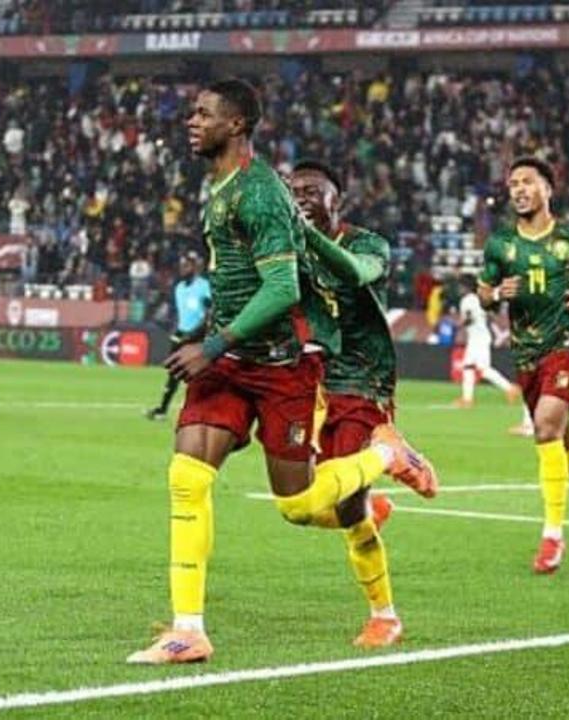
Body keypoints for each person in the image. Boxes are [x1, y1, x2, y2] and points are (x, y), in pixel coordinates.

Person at [127, 79, 437, 666]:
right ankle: (188, 630)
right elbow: (243, 279)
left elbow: (288, 285)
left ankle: (387, 460)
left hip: (305, 369)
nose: (191, 120)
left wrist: (214, 341)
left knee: (302, 506)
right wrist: (211, 338)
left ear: (237, 124)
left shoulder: (282, 202)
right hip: (240, 358)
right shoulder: (223, 189)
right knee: (187, 476)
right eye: (192, 111)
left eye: (204, 113)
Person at [289, 158, 422, 648]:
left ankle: (385, 616)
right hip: (311, 382)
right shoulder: (290, 250)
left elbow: (352, 272)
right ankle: (378, 484)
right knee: (299, 508)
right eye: (294, 191)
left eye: (312, 191)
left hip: (361, 381)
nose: (301, 198)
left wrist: (305, 237)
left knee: (346, 506)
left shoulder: (369, 245)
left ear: (336, 200)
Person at [477, 157, 569, 575]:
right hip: (527, 349)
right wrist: (497, 294)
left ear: (547, 189)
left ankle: (553, 535)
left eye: (528, 182)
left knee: (545, 426)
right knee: (559, 440)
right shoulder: (500, 244)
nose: (519, 189)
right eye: (513, 184)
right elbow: (483, 292)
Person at [453, 273, 532, 435]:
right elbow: (489, 315)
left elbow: (468, 318)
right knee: (468, 367)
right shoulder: (478, 299)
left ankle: (509, 388)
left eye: (460, 286)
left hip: (478, 338)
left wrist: (459, 324)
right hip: (480, 336)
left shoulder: (467, 300)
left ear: (465, 286)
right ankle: (467, 398)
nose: (459, 289)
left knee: (483, 369)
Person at [146, 252, 211, 421]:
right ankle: (162, 410)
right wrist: (174, 330)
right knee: (174, 374)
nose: (183, 269)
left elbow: (211, 311)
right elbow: (180, 312)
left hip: (197, 336)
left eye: (187, 265)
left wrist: (198, 332)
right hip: (181, 335)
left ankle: (202, 411)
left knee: (199, 375)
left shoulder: (204, 286)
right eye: (182, 265)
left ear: (194, 267)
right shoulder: (179, 288)